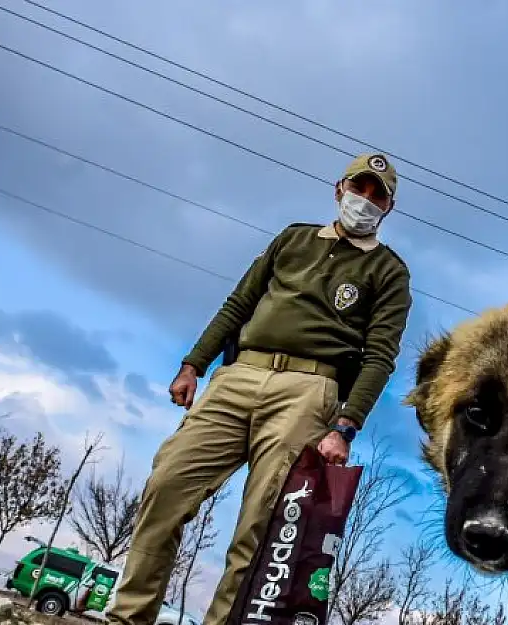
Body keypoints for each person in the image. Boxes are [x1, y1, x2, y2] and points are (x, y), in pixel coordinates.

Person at [106, 153, 414, 625]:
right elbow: (239, 303)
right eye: (360, 187)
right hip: (239, 375)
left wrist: (345, 427)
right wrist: (193, 364)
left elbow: (380, 356)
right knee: (166, 486)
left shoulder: (389, 272)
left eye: (378, 195)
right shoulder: (292, 239)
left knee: (262, 523)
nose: (365, 200)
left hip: (310, 389)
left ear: (388, 208)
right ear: (339, 188)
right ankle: (129, 616)